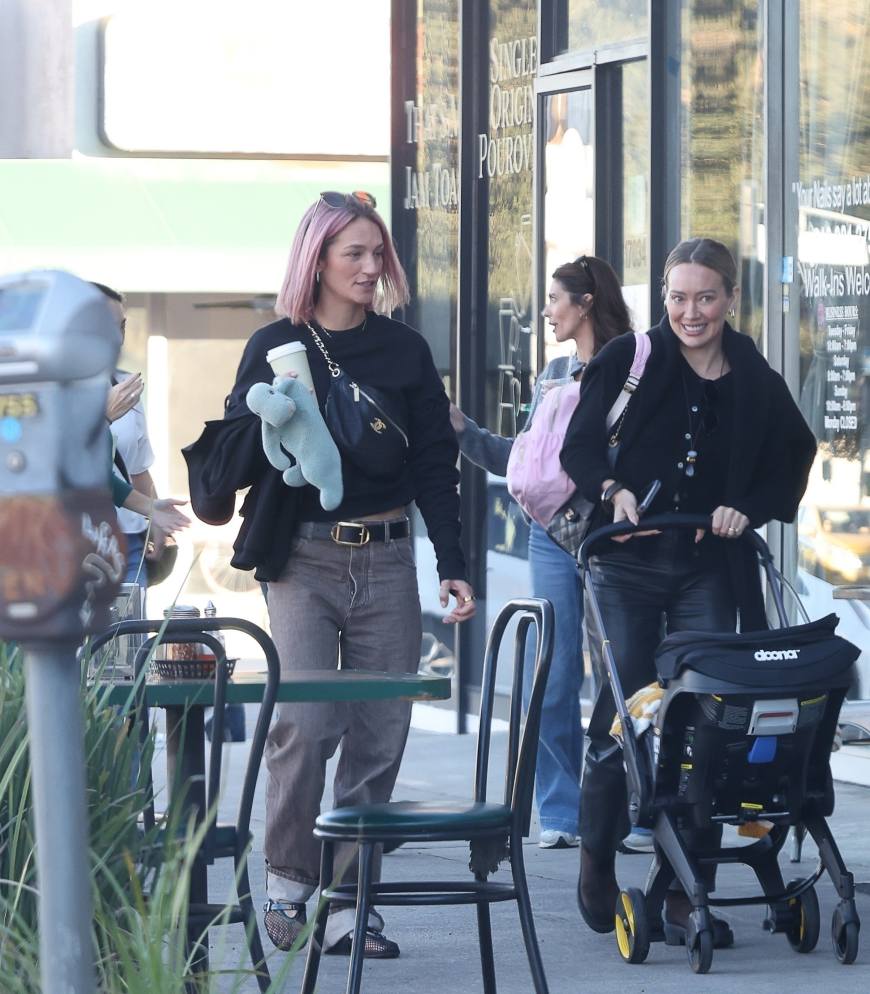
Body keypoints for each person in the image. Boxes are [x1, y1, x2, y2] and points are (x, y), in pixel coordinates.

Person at [184, 190, 475, 960]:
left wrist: (453, 563)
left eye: (379, 255)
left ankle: (350, 899)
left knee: (381, 732)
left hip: (386, 557)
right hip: (304, 557)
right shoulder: (275, 342)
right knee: (306, 724)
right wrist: (268, 410)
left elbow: (436, 466)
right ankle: (288, 878)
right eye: (357, 254)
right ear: (317, 259)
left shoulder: (405, 351)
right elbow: (237, 458)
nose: (373, 268)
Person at [560, 238, 817, 943]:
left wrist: (748, 507)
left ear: (731, 298)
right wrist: (610, 491)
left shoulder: (754, 377)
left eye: (705, 297)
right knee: (623, 713)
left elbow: (794, 456)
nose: (690, 312)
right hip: (627, 565)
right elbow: (576, 449)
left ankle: (680, 885)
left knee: (704, 717)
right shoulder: (629, 361)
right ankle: (595, 859)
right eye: (678, 297)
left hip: (708, 566)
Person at [451, 255, 632, 850]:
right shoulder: (552, 371)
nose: (547, 311)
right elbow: (526, 459)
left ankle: (630, 804)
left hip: (614, 535)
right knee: (550, 674)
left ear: (585, 303)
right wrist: (463, 431)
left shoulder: (632, 364)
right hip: (551, 534)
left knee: (622, 674)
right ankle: (559, 811)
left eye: (556, 299)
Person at [94, 283, 165, 593]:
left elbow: (136, 467)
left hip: (128, 541)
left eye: (122, 326)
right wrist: (103, 417)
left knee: (130, 635)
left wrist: (158, 516)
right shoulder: (50, 390)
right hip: (74, 541)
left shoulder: (126, 386)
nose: (118, 337)